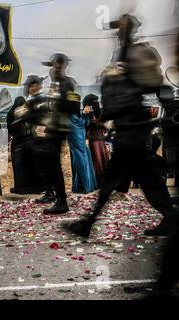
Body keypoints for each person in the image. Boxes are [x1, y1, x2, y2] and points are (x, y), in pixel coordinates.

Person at [64, 14, 178, 238]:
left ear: (130, 31)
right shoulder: (120, 57)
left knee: (112, 180)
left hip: (133, 130)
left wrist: (172, 108)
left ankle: (87, 224)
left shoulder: (138, 54)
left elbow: (157, 85)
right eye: (117, 29)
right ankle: (171, 218)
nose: (118, 33)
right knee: (147, 180)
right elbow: (112, 95)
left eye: (122, 29)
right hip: (127, 129)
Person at [38, 53, 80, 214]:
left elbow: (74, 107)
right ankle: (57, 198)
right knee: (48, 164)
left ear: (61, 66)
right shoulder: (55, 85)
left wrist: (60, 101)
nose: (52, 70)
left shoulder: (68, 83)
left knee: (54, 166)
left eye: (54, 66)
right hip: (51, 129)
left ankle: (61, 201)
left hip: (59, 129)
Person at [7, 94, 43, 195]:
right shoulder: (11, 113)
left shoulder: (29, 112)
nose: (21, 107)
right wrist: (18, 120)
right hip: (18, 142)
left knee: (30, 165)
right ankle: (21, 187)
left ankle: (32, 187)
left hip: (29, 141)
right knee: (19, 166)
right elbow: (10, 129)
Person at [68, 96, 98, 194]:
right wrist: (84, 115)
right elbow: (78, 125)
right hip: (76, 139)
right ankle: (84, 186)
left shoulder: (76, 113)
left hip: (81, 139)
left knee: (84, 160)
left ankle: (86, 186)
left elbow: (84, 124)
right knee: (80, 162)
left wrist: (86, 115)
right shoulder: (70, 114)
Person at [85, 94, 109, 188]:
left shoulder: (99, 112)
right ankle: (99, 182)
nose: (96, 103)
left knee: (101, 158)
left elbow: (104, 125)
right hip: (95, 138)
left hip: (98, 138)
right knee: (98, 160)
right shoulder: (89, 113)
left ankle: (103, 181)